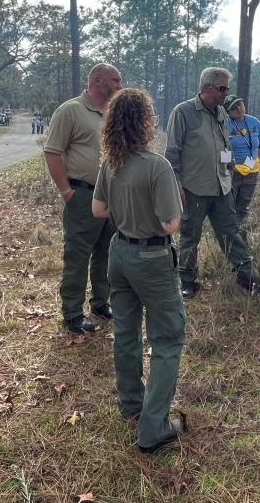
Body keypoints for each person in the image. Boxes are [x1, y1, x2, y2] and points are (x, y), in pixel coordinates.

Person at [92, 88, 188, 454]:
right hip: (151, 258)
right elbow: (170, 225)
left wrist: (126, 209)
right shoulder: (156, 165)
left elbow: (99, 210)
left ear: (113, 123)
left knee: (126, 332)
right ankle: (153, 429)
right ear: (146, 122)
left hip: (120, 253)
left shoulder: (111, 164)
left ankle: (132, 403)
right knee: (167, 340)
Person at [165, 67, 260, 299]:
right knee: (189, 235)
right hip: (193, 187)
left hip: (222, 186)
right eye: (222, 88)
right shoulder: (183, 112)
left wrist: (234, 169)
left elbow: (225, 147)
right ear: (207, 88)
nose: (226, 93)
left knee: (230, 232)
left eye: (227, 88)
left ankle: (247, 278)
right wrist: (177, 185)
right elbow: (172, 153)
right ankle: (187, 280)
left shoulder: (222, 113)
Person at [43, 63, 122, 334]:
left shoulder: (113, 114)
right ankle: (73, 313)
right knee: (78, 255)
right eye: (115, 80)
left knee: (106, 252)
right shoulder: (71, 110)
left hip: (111, 197)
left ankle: (101, 302)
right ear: (98, 80)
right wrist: (67, 192)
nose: (119, 85)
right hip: (83, 195)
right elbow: (52, 152)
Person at [223, 94, 260, 241]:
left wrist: (259, 164)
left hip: (251, 172)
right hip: (232, 173)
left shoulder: (254, 122)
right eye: (234, 108)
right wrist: (229, 168)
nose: (238, 109)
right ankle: (230, 238)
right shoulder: (225, 124)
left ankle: (242, 238)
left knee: (243, 206)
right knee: (230, 206)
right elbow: (223, 148)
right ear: (228, 112)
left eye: (240, 104)